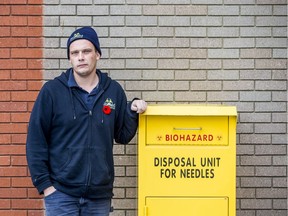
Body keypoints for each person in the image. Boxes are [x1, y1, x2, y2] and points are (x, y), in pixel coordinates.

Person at [26, 26, 147, 216]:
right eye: (75, 53)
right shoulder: (52, 92)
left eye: (86, 51)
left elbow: (122, 136)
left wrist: (132, 113)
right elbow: (36, 140)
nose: (81, 57)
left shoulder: (113, 91)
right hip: (61, 195)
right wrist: (46, 186)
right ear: (70, 58)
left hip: (99, 197)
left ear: (97, 54)